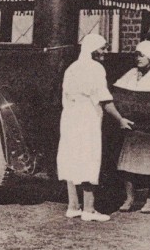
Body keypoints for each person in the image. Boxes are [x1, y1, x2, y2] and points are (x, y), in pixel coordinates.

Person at [57, 33, 133, 222]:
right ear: (92, 50)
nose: (104, 52)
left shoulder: (72, 68)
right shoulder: (96, 68)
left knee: (72, 157)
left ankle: (73, 206)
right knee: (88, 157)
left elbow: (65, 96)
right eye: (102, 48)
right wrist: (120, 119)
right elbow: (104, 99)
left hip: (69, 117)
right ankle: (89, 209)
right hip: (86, 117)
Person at [114, 40, 150, 213]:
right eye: (136, 54)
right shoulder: (132, 73)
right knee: (129, 163)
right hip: (134, 126)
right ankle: (129, 198)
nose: (138, 58)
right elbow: (119, 91)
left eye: (142, 55)